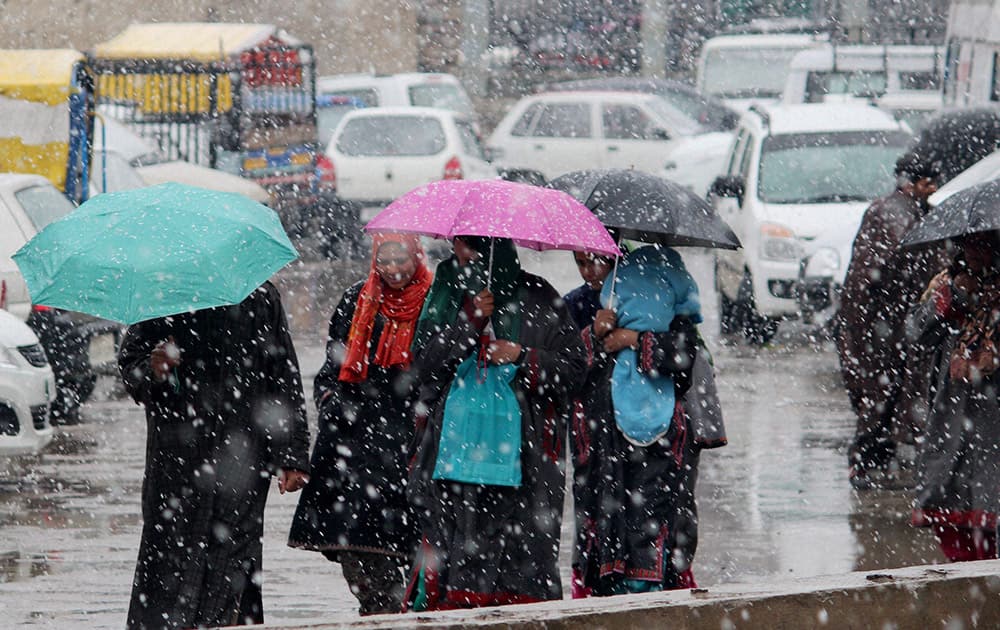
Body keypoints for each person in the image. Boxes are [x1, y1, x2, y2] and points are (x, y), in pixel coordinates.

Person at [404, 236, 586, 610]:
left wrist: (522, 356)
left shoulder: (538, 295)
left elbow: (574, 370)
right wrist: (469, 322)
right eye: (457, 245)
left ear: (494, 250)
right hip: (454, 459)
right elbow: (421, 370)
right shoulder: (446, 293)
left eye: (470, 248)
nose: (459, 254)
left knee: (522, 563)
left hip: (527, 460)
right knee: (459, 556)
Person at [117, 281, 310, 629]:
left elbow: (282, 373)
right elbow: (132, 369)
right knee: (169, 560)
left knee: (233, 555)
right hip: (176, 457)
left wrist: (293, 452)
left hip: (243, 455)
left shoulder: (259, 295)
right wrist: (155, 368)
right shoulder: (161, 294)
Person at [287, 233, 432, 615]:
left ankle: (403, 609)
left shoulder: (434, 302)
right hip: (356, 439)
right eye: (384, 261)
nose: (394, 269)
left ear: (417, 257)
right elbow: (333, 365)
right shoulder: (357, 299)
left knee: (414, 540)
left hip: (411, 440)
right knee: (357, 542)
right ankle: (375, 609)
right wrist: (331, 401)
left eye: (401, 260)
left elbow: (441, 366)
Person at [569, 244, 724, 596]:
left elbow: (687, 361)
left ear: (615, 259)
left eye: (596, 263)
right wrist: (594, 334)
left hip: (660, 441)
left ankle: (653, 587)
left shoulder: (660, 298)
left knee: (656, 513)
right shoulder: (578, 306)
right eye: (580, 263)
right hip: (599, 442)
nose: (589, 272)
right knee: (601, 513)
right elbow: (567, 370)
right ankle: (610, 588)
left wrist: (637, 340)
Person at [836, 151, 949, 489]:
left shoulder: (915, 212)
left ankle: (879, 458)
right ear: (916, 182)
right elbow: (875, 274)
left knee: (895, 393)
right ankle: (866, 461)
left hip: (898, 323)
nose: (932, 188)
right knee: (883, 395)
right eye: (928, 182)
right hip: (884, 324)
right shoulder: (892, 214)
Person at [908, 230, 1000, 561]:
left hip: (992, 419)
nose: (975, 254)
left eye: (985, 246)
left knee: (989, 502)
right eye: (970, 246)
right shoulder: (947, 283)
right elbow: (917, 333)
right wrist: (955, 297)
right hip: (953, 415)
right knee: (952, 504)